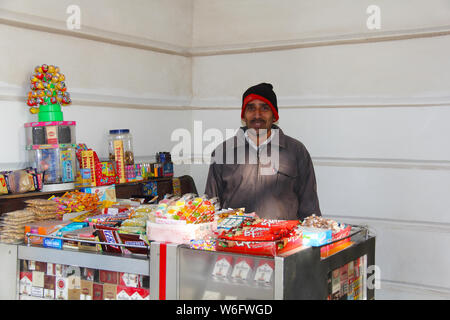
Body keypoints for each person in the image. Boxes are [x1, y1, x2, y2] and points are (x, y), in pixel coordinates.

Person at [204, 82, 321, 220]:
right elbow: (211, 206)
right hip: (235, 238)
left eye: (265, 108)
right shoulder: (223, 152)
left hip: (282, 239)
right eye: (251, 108)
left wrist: (314, 234)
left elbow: (309, 205)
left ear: (274, 115)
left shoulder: (296, 151)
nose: (257, 115)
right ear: (244, 115)